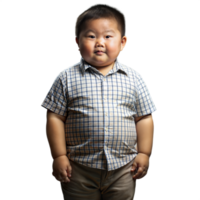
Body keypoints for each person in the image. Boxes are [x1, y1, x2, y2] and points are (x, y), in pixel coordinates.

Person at [39, 3, 158, 200]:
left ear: (123, 42)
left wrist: (145, 153)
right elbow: (54, 117)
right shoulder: (65, 78)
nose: (99, 43)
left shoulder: (135, 78)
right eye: (91, 36)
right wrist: (58, 156)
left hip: (124, 168)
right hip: (77, 168)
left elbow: (144, 117)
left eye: (108, 36)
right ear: (76, 42)